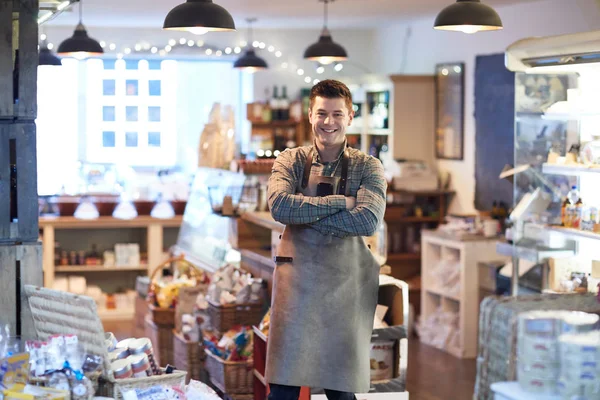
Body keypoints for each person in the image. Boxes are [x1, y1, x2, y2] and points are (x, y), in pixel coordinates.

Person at [265, 79, 387, 400]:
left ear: (350, 115)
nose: (328, 122)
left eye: (337, 114)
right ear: (310, 115)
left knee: (341, 390)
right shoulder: (290, 160)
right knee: (283, 389)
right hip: (296, 288)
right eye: (322, 114)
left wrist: (306, 214)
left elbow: (367, 219)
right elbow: (280, 206)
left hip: (344, 287)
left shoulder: (368, 166)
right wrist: (341, 203)